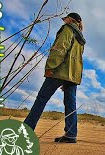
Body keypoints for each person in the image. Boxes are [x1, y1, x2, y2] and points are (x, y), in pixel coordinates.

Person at [24, 12, 86, 143]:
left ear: (71, 20)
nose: (64, 21)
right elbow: (77, 60)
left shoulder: (68, 29)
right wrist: (70, 77)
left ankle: (26, 132)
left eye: (65, 18)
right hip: (72, 75)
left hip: (59, 70)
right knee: (70, 104)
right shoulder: (81, 38)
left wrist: (50, 67)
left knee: (41, 99)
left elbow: (60, 49)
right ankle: (71, 134)